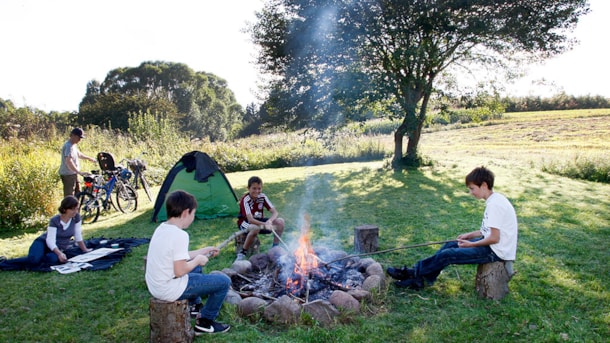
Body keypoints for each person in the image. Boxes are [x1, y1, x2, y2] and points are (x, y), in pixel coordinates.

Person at [387, 166, 518, 290]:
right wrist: (470, 235)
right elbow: (488, 231)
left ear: (484, 185)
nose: (470, 192)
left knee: (448, 255)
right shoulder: (495, 200)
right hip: (491, 246)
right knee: (450, 245)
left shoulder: (495, 205)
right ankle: (419, 278)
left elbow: (494, 238)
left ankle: (412, 273)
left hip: (495, 252)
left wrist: (472, 245)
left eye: (472, 188)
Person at [145, 190, 231, 335]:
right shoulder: (180, 235)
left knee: (196, 270)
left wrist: (204, 250)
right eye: (193, 214)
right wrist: (198, 260)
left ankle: (195, 305)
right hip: (169, 289)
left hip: (156, 286)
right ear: (186, 212)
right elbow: (180, 270)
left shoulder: (162, 228)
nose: (193, 217)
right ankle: (205, 322)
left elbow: (179, 256)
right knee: (224, 282)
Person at [0, 196, 92, 268]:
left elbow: (78, 235)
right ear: (64, 209)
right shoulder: (55, 220)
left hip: (59, 247)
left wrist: (85, 250)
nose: (75, 211)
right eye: (72, 209)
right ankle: (4, 263)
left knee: (51, 260)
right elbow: (50, 240)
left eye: (76, 209)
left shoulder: (76, 218)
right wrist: (59, 253)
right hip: (44, 242)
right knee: (34, 260)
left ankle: (39, 257)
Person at [235, 176, 285, 261]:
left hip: (260, 223)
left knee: (280, 222)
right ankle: (243, 252)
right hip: (245, 223)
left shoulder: (262, 197)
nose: (257, 191)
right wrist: (265, 224)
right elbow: (250, 220)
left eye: (259, 188)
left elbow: (275, 212)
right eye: (254, 188)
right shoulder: (245, 200)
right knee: (255, 228)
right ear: (248, 188)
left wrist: (270, 221)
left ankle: (275, 247)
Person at [59, 127, 96, 196]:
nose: (79, 140)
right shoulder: (68, 146)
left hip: (73, 173)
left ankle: (76, 206)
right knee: (69, 195)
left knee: (77, 193)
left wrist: (89, 158)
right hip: (68, 174)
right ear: (73, 135)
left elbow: (79, 154)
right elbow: (68, 161)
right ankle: (68, 207)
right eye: (79, 138)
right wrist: (79, 172)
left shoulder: (73, 145)